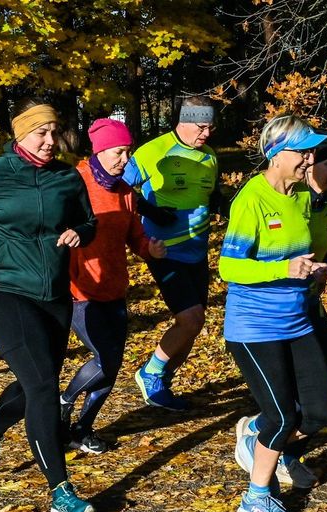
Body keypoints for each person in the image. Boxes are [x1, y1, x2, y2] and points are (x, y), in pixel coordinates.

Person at [0, 100, 97, 512]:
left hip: (54, 296)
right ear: (20, 134)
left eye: (53, 132)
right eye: (40, 134)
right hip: (3, 292)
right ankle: (60, 492)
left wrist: (78, 233)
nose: (50, 142)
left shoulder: (67, 176)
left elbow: (89, 222)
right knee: (44, 385)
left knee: (35, 383)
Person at [222, 115, 327, 512]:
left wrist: (311, 269)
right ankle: (256, 498)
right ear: (276, 154)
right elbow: (229, 267)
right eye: (302, 152)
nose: (310, 159)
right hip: (253, 327)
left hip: (296, 319)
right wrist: (283, 268)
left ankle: (254, 430)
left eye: (311, 151)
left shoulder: (302, 196)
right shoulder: (251, 199)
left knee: (321, 409)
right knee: (283, 416)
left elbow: (296, 252)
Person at [60, 118, 165, 454]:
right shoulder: (75, 183)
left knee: (112, 368)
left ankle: (82, 428)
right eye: (119, 152)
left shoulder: (124, 192)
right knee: (104, 360)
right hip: (80, 290)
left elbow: (135, 235)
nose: (125, 159)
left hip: (115, 289)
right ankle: (64, 403)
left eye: (128, 152)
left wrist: (149, 248)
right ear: (101, 150)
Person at [124, 96, 222, 410]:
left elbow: (210, 193)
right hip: (163, 250)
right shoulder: (152, 151)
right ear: (183, 120)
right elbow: (118, 188)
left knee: (193, 324)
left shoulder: (209, 157)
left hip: (197, 251)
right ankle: (150, 373)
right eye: (201, 126)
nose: (206, 133)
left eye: (211, 127)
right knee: (190, 319)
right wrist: (149, 209)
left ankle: (162, 382)